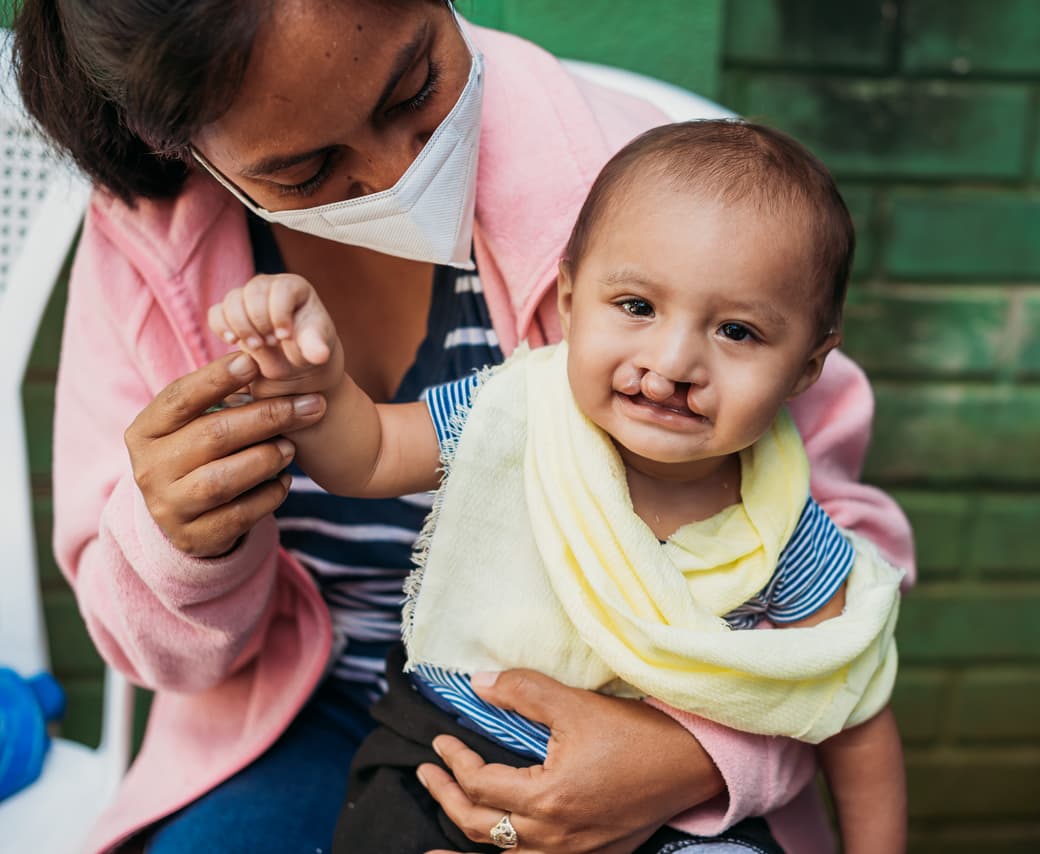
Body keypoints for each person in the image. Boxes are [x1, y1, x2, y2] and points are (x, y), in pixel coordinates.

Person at [12, 1, 915, 851]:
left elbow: (844, 609)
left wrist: (692, 758)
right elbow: (364, 452)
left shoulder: (651, 194)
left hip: (645, 720)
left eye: (415, 90)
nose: (399, 172)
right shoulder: (152, 246)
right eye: (302, 170)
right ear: (181, 150)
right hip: (295, 716)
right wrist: (179, 540)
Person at [210, 118, 908, 854]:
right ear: (571, 301)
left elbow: (850, 708)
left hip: (656, 807)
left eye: (737, 332)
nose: (671, 362)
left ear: (806, 367)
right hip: (448, 749)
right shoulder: (516, 414)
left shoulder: (783, 533)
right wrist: (313, 379)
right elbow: (374, 452)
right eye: (637, 306)